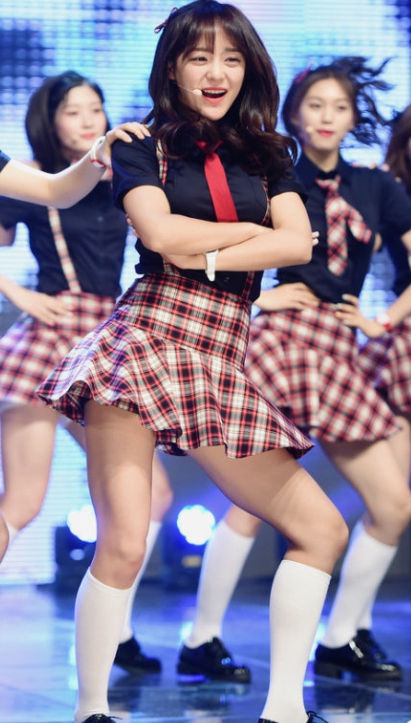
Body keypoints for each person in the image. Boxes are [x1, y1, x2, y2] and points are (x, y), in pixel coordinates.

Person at [37, 3, 348, 723]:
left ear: (249, 69)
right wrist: (248, 234)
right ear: (172, 65)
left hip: (221, 349)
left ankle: (283, 710)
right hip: (147, 336)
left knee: (322, 529)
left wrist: (206, 244)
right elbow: (160, 237)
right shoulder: (140, 145)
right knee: (123, 541)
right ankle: (91, 710)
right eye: (199, 57)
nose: (216, 73)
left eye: (231, 59)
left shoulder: (271, 154)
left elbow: (297, 244)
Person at [0, 71, 170, 673]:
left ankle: (115, 628)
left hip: (106, 339)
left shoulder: (126, 177)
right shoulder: (29, 180)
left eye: (95, 108)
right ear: (50, 121)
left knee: (154, 497)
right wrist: (19, 294)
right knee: (22, 501)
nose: (88, 120)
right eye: (73, 111)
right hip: (51, 336)